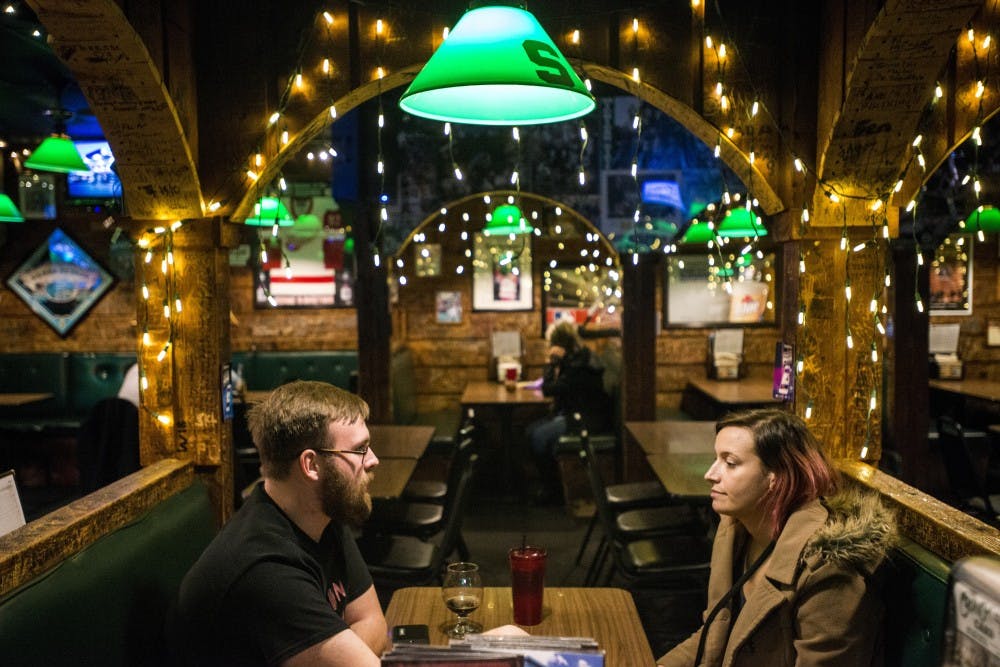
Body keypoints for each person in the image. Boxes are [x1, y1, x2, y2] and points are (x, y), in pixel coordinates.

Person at [170, 380, 387, 667]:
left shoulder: (321, 513)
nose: (373, 460)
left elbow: (372, 620)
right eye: (360, 449)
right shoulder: (266, 569)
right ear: (311, 465)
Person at [658, 408, 897, 667]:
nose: (710, 474)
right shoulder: (735, 531)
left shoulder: (827, 569)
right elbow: (712, 639)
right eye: (716, 459)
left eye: (730, 463)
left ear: (776, 477)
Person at [525, 320, 612, 504]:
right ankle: (550, 484)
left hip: (586, 420)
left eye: (551, 346)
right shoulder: (577, 358)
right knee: (531, 430)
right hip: (577, 415)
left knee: (538, 437)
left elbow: (549, 389)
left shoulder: (580, 365)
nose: (549, 349)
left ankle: (552, 491)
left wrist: (551, 363)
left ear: (559, 345)